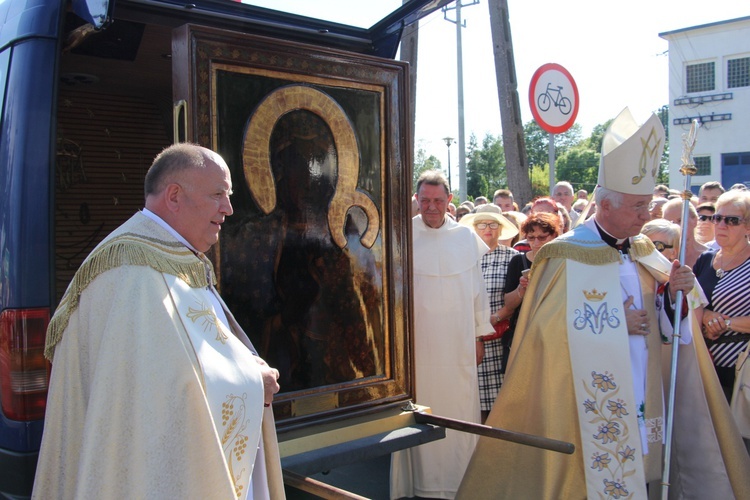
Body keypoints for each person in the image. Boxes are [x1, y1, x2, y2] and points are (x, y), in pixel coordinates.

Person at [458, 108, 750, 499]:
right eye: (637, 207)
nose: (646, 215)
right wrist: (616, 322)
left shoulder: (645, 249)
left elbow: (671, 320)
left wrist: (676, 296)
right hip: (583, 398)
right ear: (606, 204)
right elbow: (542, 336)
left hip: (643, 382)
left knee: (642, 473)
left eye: (648, 205)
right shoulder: (562, 255)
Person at [33, 144, 285, 499]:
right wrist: (251, 380)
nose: (228, 209)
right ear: (174, 196)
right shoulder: (133, 272)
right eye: (218, 195)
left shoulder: (168, 255)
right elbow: (158, 395)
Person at [391, 170, 493, 499]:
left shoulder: (465, 238)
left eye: (437, 200)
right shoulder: (402, 236)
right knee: (421, 408)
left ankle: (459, 481)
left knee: (459, 408)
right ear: (416, 201)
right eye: (425, 201)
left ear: (449, 201)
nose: (431, 207)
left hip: (458, 345)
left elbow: (478, 293)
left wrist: (478, 336)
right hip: (417, 346)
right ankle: (421, 484)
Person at [460, 204, 520, 423]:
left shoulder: (513, 258)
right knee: (473, 409)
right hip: (470, 343)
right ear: (474, 228)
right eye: (482, 224)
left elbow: (516, 299)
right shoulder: (464, 257)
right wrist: (477, 332)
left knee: (500, 410)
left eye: (493, 224)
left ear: (501, 228)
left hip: (500, 342)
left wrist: (493, 319)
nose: (487, 229)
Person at [694, 190, 750, 403]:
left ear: (748, 227)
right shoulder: (705, 259)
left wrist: (725, 323)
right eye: (717, 218)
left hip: (741, 367)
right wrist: (706, 315)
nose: (721, 225)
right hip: (704, 362)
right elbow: (691, 301)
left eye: (732, 220)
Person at [496, 212, 561, 376]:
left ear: (554, 236)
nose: (536, 243)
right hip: (523, 334)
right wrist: (521, 290)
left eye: (542, 237)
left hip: (553, 335)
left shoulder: (562, 262)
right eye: (531, 238)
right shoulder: (518, 261)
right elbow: (509, 305)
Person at [662, 196, 708, 267]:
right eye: (669, 222)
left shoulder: (710, 256)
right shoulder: (661, 256)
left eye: (680, 220)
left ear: (695, 220)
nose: (675, 226)